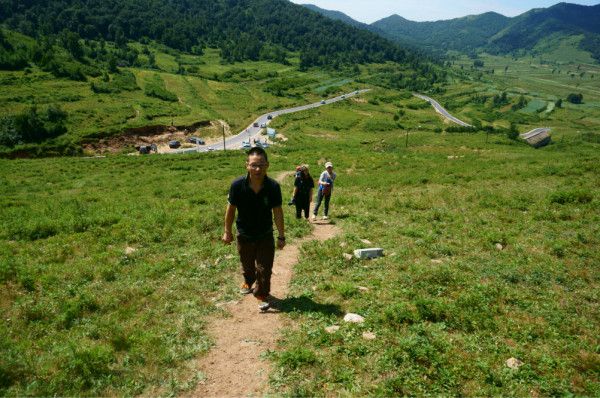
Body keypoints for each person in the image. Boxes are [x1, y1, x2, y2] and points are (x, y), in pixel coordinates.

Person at [222, 147, 285, 311]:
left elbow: (277, 212)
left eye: (261, 165)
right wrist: (227, 232)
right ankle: (248, 280)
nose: (257, 169)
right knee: (247, 265)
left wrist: (281, 235)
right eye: (254, 165)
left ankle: (262, 294)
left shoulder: (273, 187)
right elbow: (231, 210)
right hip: (244, 234)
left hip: (265, 234)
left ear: (267, 166)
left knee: (265, 269)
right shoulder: (237, 186)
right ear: (247, 166)